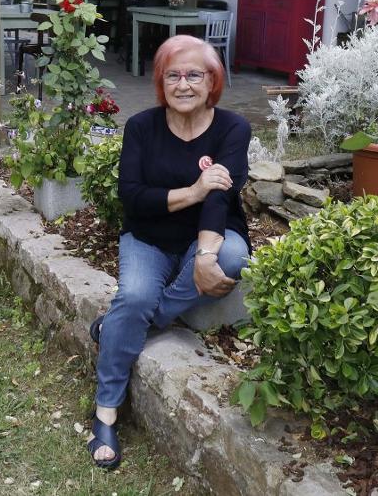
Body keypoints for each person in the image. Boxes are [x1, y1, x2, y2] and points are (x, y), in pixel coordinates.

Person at [87, 34, 251, 469]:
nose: (183, 84)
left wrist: (204, 256)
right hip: (148, 237)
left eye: (194, 75)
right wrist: (194, 190)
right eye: (172, 75)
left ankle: (121, 325)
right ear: (161, 82)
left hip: (209, 234)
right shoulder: (141, 126)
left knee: (231, 257)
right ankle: (106, 411)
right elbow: (132, 197)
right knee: (134, 296)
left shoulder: (233, 128)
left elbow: (221, 197)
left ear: (212, 81)